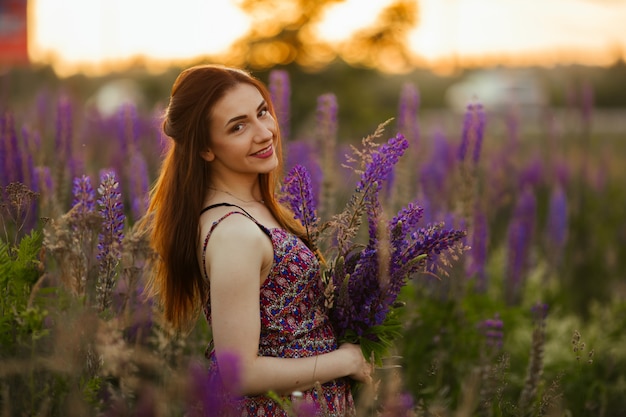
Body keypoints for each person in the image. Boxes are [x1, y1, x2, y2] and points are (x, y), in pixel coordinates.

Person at [144, 64, 372, 415]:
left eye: (262, 112)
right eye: (238, 126)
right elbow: (239, 374)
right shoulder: (235, 233)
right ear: (206, 149)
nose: (264, 132)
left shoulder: (254, 209)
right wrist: (344, 361)